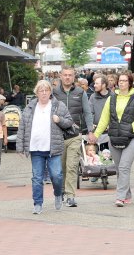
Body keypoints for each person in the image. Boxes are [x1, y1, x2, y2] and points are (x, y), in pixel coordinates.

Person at [16, 80, 73, 214]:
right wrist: (20, 147)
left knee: (57, 175)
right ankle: (37, 203)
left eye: (46, 90)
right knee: (37, 177)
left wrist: (59, 120)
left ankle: (58, 194)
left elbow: (69, 121)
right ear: (36, 93)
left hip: (53, 148)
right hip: (35, 148)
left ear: (50, 92)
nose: (44, 93)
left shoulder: (58, 106)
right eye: (41, 90)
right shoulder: (30, 108)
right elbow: (22, 127)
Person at [94, 73, 134, 207]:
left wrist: (130, 128)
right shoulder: (111, 98)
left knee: (123, 167)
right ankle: (127, 195)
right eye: (120, 81)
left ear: (129, 83)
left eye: (124, 81)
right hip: (114, 137)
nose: (121, 83)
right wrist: (96, 134)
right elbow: (104, 119)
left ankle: (120, 197)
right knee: (119, 169)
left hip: (132, 138)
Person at [52, 67, 95, 207]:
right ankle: (62, 192)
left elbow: (87, 112)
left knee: (71, 166)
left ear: (74, 76)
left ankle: (70, 196)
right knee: (60, 169)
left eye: (70, 75)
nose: (67, 77)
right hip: (58, 136)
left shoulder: (80, 92)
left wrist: (90, 130)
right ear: (60, 76)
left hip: (74, 135)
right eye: (65, 75)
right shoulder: (54, 93)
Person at [89, 74, 112, 152]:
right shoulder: (92, 97)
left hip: (109, 134)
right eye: (94, 83)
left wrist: (110, 125)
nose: (94, 85)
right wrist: (91, 125)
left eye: (97, 83)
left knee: (108, 159)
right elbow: (90, 112)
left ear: (104, 85)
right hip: (96, 132)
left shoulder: (113, 97)